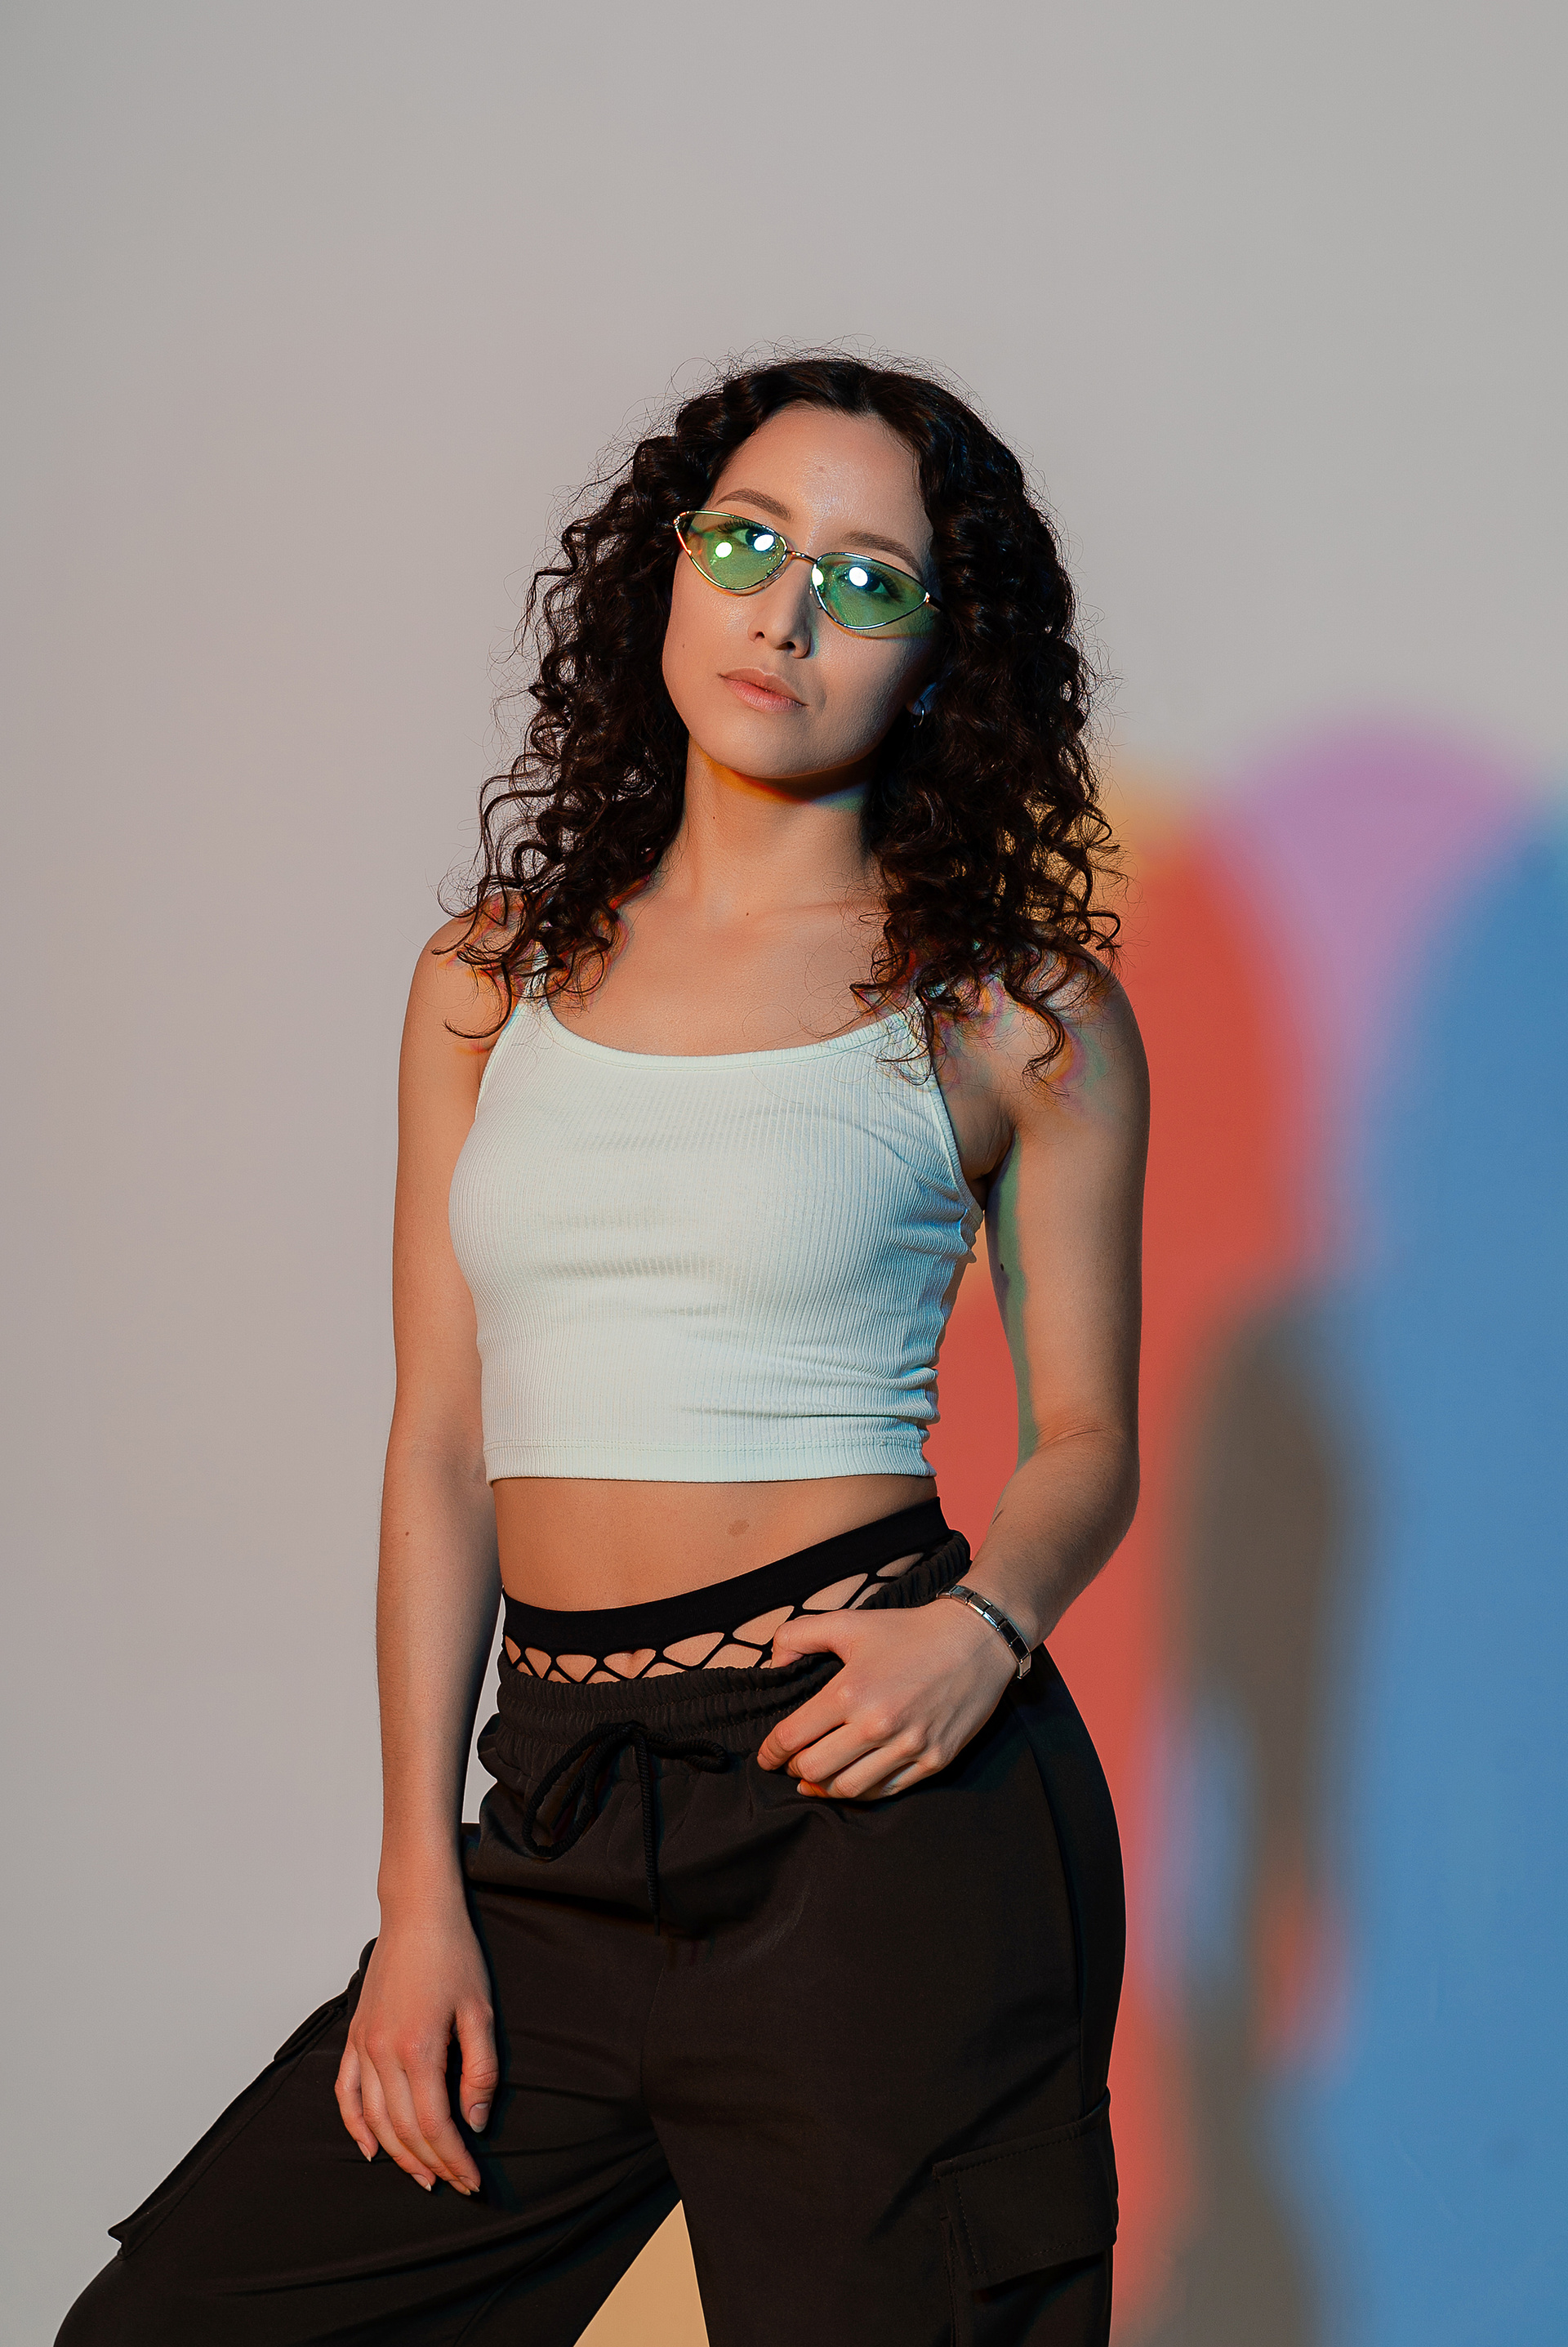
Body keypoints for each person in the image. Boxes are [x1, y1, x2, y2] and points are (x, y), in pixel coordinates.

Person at [58, 354, 1147, 2345]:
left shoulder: (1010, 1008)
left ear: (942, 658)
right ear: (667, 565)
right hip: (556, 1808)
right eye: (748, 544)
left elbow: (1085, 1436)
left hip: (877, 1810)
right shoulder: (488, 980)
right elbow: (440, 1439)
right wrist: (421, 1891)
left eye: (869, 581)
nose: (787, 612)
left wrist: (986, 1631)